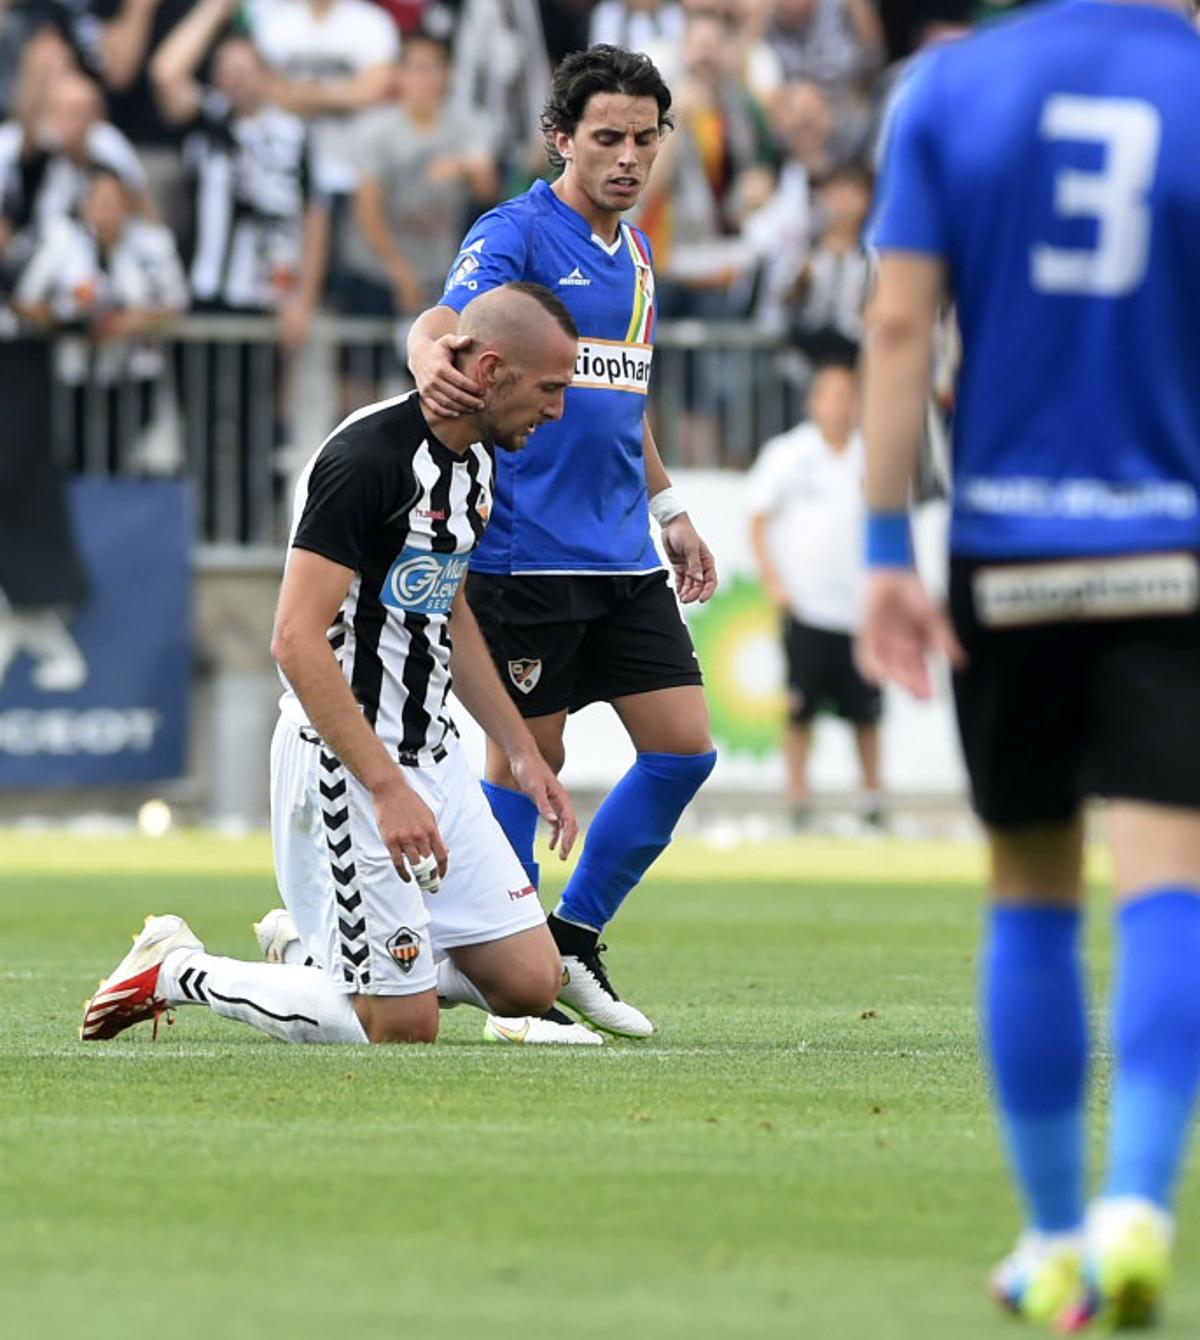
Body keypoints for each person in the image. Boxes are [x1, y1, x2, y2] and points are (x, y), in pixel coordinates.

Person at [860, 1, 1200, 1329]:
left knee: (1032, 889)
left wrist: (888, 536)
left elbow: (899, 332)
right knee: (1170, 879)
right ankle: (1138, 1208)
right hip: (1172, 545)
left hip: (1006, 549)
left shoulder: (949, 92)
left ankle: (1055, 1236)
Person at [83, 281, 601, 1049]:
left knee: (531, 985)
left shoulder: (478, 465)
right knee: (399, 1029)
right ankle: (180, 967)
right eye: (550, 388)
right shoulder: (366, 459)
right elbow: (294, 638)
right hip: (347, 764)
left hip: (436, 759)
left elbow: (446, 610)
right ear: (490, 370)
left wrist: (523, 753)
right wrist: (386, 787)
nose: (557, 409)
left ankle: (325, 948)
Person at [407, 45, 719, 1041]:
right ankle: (504, 972)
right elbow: (450, 323)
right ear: (561, 138)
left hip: (622, 553)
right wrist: (429, 358)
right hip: (523, 552)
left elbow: (624, 401)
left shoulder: (636, 254)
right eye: (607, 138)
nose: (629, 157)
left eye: (645, 137)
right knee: (526, 760)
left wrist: (669, 510)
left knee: (684, 750)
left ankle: (569, 938)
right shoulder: (518, 232)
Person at [747, 360, 882, 830]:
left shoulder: (870, 456)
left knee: (867, 711)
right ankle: (799, 801)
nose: (843, 407)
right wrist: (774, 580)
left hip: (859, 607)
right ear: (815, 402)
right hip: (805, 603)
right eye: (834, 396)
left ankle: (872, 800)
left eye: (851, 397)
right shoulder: (789, 454)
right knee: (799, 709)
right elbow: (758, 518)